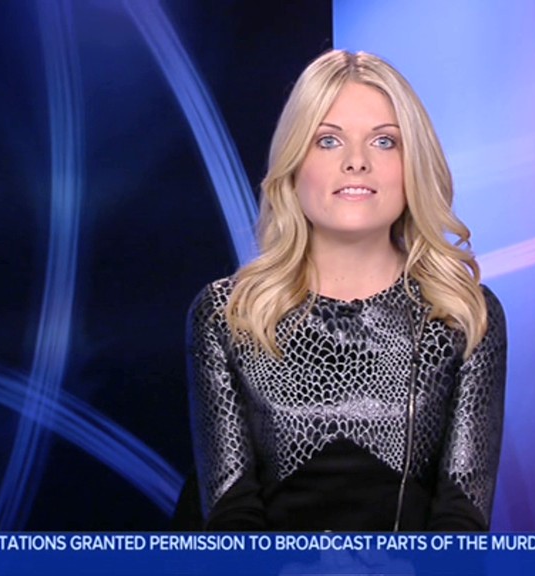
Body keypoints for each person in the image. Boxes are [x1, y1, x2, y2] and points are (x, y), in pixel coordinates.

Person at [186, 49, 506, 531]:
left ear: (413, 165)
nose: (357, 162)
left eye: (384, 141)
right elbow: (231, 513)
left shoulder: (463, 314)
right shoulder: (228, 314)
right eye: (329, 141)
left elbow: (462, 519)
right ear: (294, 165)